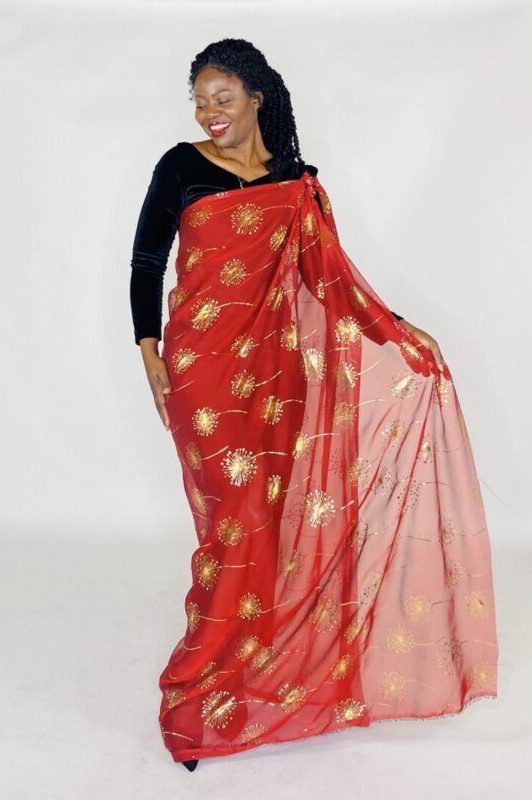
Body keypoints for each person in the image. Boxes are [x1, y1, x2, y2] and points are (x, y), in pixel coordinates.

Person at [129, 38, 498, 771]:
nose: (208, 113)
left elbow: (330, 284)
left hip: (277, 374)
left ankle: (254, 673)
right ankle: (196, 691)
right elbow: (145, 261)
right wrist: (148, 348)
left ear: (257, 96)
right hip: (201, 371)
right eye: (199, 101)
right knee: (230, 527)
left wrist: (398, 330)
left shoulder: (299, 184)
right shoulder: (179, 167)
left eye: (222, 99)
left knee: (266, 526)